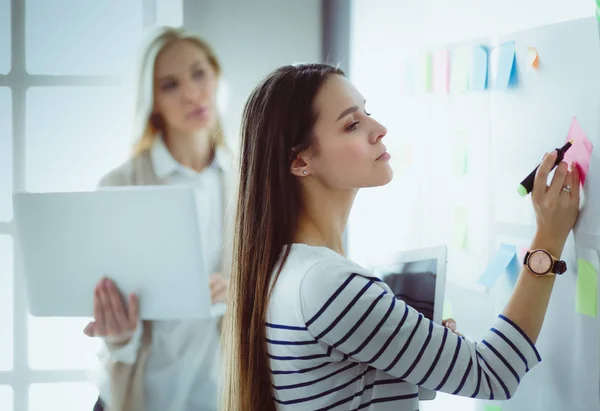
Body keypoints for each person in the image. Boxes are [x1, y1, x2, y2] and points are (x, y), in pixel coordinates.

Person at [221, 63, 580, 411]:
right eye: (352, 124)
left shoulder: (291, 273)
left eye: (367, 112)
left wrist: (413, 347)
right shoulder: (327, 284)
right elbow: (493, 374)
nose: (379, 129)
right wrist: (547, 240)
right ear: (300, 161)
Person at [84, 27, 235, 411]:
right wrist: (119, 333)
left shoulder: (247, 181)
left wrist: (239, 291)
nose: (190, 93)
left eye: (199, 73)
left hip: (219, 393)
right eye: (170, 85)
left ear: (216, 76)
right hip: (143, 394)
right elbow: (108, 301)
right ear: (153, 101)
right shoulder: (120, 185)